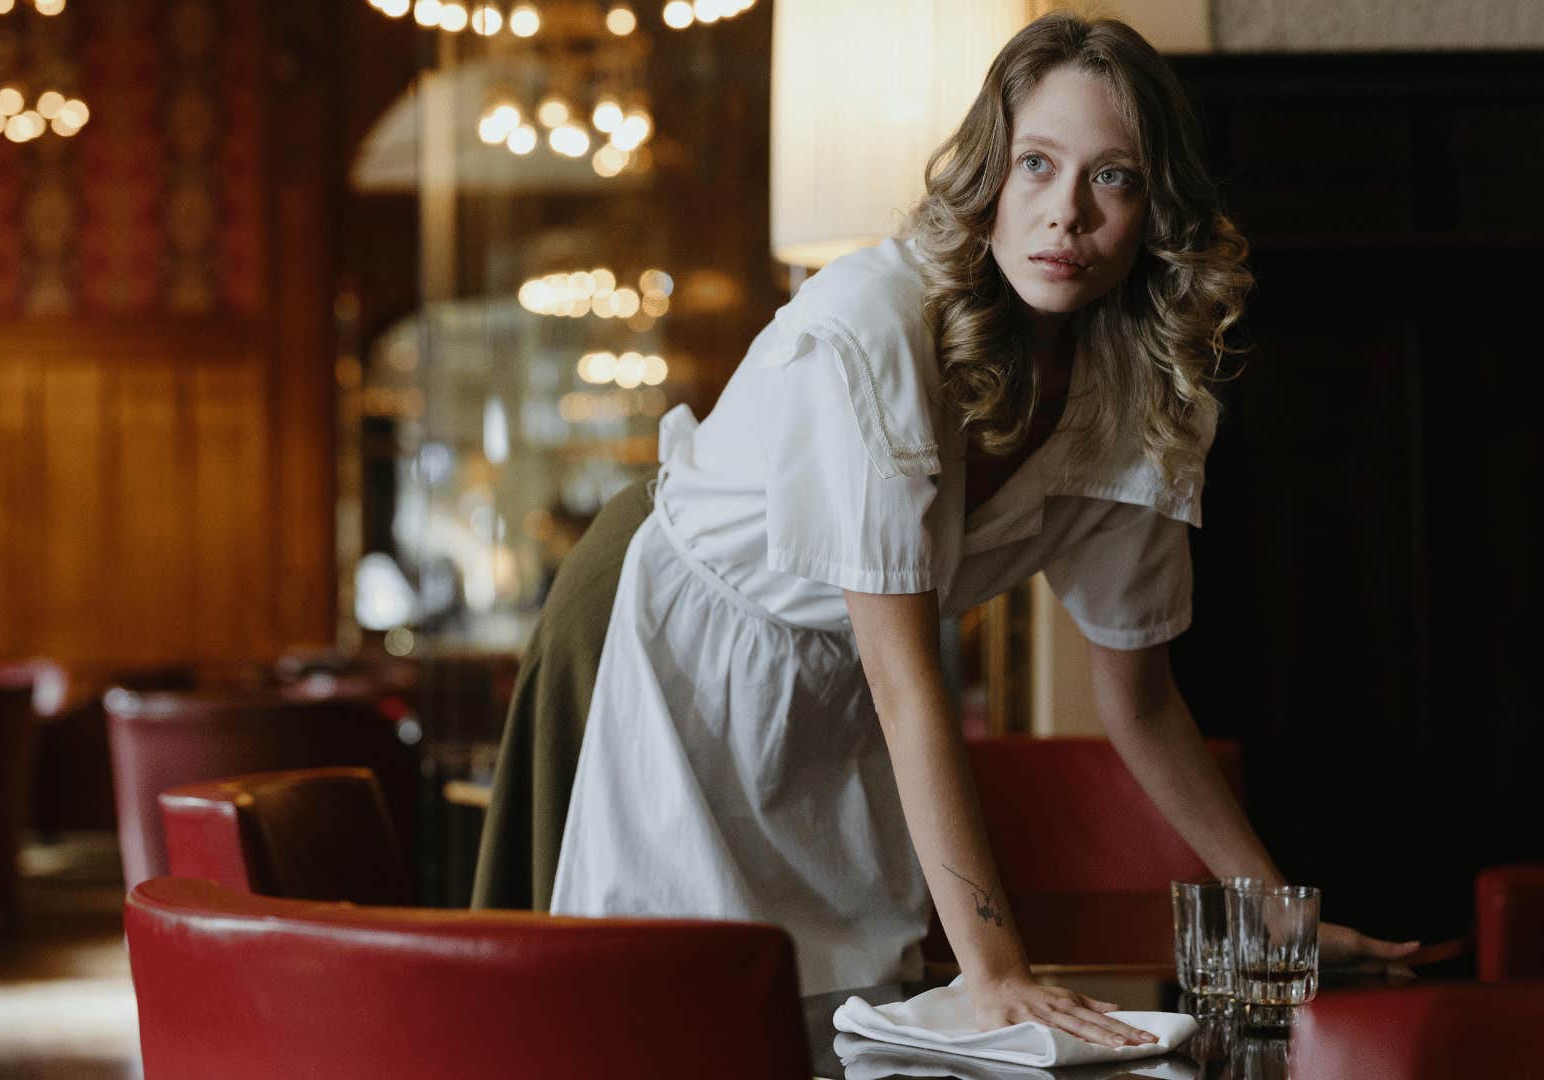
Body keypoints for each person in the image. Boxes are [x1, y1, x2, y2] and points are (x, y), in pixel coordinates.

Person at [473, 12, 1416, 1047]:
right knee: (622, 1028)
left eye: (1113, 178)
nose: (1066, 215)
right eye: (1037, 165)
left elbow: (1141, 705)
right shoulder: (871, 328)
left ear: (1157, 209)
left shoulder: (1144, 391)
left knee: (818, 1018)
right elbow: (908, 678)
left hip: (834, 684)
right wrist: (999, 973)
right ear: (989, 178)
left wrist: (1273, 914)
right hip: (653, 634)